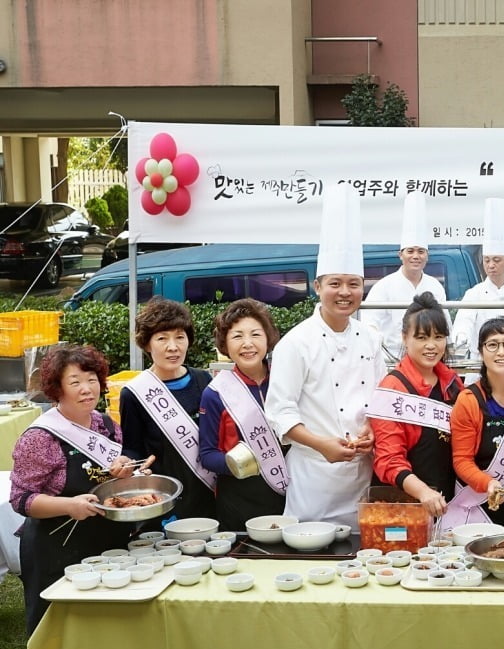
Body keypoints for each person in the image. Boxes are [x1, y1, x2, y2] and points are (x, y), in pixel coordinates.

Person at [266, 183, 385, 530]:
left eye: (353, 283)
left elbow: (380, 400)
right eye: (335, 283)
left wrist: (372, 432)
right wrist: (322, 445)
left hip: (361, 473)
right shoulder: (296, 343)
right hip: (313, 479)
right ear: (318, 287)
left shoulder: (371, 338)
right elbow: (279, 412)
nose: (345, 292)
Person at [11, 345, 146, 635]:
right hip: (55, 544)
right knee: (62, 630)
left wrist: (125, 472)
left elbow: (110, 480)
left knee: (107, 627)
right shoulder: (40, 437)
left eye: (92, 379)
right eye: (75, 382)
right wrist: (69, 505)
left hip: (106, 538)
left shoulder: (106, 425)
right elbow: (21, 499)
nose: (86, 389)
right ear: (56, 388)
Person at [119, 297, 216, 521]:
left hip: (210, 493)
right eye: (162, 338)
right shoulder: (134, 394)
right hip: (167, 499)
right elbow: (133, 450)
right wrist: (126, 462)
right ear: (146, 344)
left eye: (180, 337)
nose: (173, 347)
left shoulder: (204, 381)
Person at [369, 292, 464, 517]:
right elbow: (388, 460)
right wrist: (423, 492)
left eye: (438, 337)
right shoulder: (392, 388)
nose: (431, 346)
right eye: (421, 338)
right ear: (404, 338)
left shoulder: (453, 383)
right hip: (403, 508)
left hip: (447, 502)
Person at [199, 299, 290, 531]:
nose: (247, 344)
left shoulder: (287, 380)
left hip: (292, 494)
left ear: (268, 339)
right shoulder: (215, 393)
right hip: (240, 500)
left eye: (256, 335)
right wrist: (245, 463)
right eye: (237, 336)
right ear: (225, 344)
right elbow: (207, 455)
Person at [446, 317, 504, 533]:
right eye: (492, 344)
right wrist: (489, 483)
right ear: (481, 352)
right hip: (481, 505)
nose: (501, 352)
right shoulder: (469, 400)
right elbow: (462, 461)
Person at [361, 192, 447, 359]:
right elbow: (369, 323)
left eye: (421, 251)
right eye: (410, 251)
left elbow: (443, 323)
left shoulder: (435, 286)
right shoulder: (384, 286)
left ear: (427, 256)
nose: (416, 256)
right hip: (392, 360)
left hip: (428, 359)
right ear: (400, 255)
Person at [450, 198, 504, 360]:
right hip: (479, 364)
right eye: (487, 260)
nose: (491, 265)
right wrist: (461, 341)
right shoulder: (474, 294)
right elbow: (463, 324)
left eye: (496, 260)